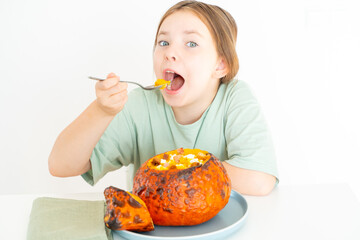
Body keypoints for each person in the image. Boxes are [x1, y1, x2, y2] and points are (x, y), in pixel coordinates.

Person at [48, 0, 278, 196]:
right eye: (163, 42)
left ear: (220, 64)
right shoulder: (140, 105)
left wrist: (179, 167)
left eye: (191, 43)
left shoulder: (235, 98)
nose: (170, 53)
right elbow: (60, 165)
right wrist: (101, 111)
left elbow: (260, 180)